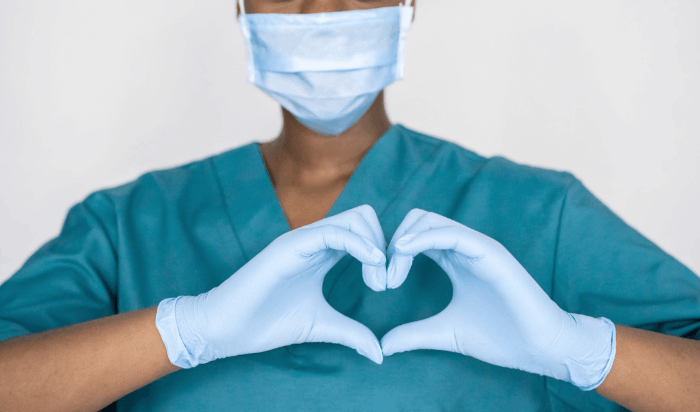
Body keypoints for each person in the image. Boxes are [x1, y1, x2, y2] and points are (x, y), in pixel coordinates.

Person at [1, 0, 699, 411]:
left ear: (408, 3)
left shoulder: (540, 215)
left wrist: (586, 351)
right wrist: (183, 333)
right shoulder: (128, 227)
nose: (320, 9)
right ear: (238, 8)